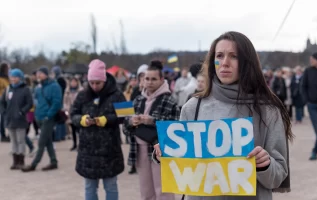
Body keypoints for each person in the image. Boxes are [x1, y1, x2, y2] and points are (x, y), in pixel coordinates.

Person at [153, 31, 292, 200]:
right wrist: (166, 155)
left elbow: (278, 177)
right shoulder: (192, 107)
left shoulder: (268, 111)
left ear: (247, 63)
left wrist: (265, 164)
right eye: (219, 55)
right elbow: (184, 169)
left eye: (234, 56)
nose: (225, 63)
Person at [124, 60, 179, 200]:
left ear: (161, 80)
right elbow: (125, 127)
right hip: (140, 150)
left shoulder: (169, 101)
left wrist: (152, 120)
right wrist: (131, 121)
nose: (149, 82)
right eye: (147, 78)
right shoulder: (137, 100)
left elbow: (176, 128)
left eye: (153, 79)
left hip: (160, 151)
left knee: (163, 191)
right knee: (146, 192)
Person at [71, 59, 125, 200]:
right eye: (91, 83)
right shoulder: (82, 95)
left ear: (104, 80)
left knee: (111, 185)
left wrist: (107, 119)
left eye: (98, 83)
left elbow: (127, 116)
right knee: (89, 187)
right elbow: (73, 115)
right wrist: (82, 120)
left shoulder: (117, 95)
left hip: (109, 149)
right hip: (87, 150)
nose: (94, 86)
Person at [22, 66, 62, 172]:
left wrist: (49, 114)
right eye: (38, 73)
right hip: (38, 117)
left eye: (41, 73)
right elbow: (35, 98)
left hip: (48, 118)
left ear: (46, 74)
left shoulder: (54, 86)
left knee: (41, 142)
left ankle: (33, 164)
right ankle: (54, 161)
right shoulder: (38, 87)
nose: (38, 75)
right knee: (47, 141)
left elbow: (57, 102)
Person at [0, 69, 33, 169]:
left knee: (20, 140)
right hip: (10, 119)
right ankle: (15, 161)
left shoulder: (25, 89)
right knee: (13, 141)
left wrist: (22, 111)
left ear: (20, 77)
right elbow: (2, 102)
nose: (13, 79)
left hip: (20, 119)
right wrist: (4, 112)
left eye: (15, 77)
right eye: (12, 77)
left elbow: (29, 103)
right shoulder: (8, 89)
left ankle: (21, 161)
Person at [63, 77, 83, 151]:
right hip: (70, 111)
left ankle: (80, 144)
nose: (73, 83)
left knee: (79, 129)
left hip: (78, 111)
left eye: (75, 82)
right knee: (73, 129)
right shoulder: (67, 91)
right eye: (72, 82)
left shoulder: (81, 91)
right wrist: (65, 108)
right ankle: (74, 144)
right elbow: (65, 101)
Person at [0, 62, 10, 142]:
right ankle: (3, 135)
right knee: (3, 117)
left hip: (8, 99)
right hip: (2, 100)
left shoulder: (7, 78)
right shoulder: (1, 79)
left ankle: (8, 134)